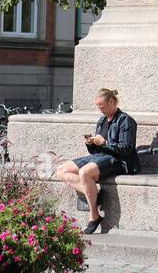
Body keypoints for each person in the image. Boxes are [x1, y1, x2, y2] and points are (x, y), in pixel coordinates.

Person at [54, 89, 138, 234]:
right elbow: (93, 151)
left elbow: (127, 149)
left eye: (102, 106)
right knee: (61, 170)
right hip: (99, 156)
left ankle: (94, 216)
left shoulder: (126, 120)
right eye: (98, 106)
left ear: (111, 102)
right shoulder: (102, 121)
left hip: (119, 160)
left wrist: (104, 143)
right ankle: (92, 192)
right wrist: (90, 143)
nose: (100, 110)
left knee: (84, 172)